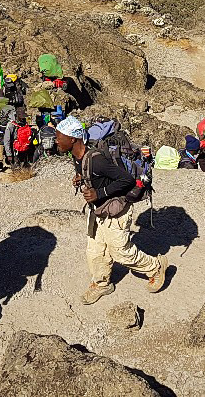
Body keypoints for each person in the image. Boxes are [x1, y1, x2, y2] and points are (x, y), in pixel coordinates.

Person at [54, 115, 168, 305]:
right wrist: (80, 179)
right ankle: (102, 283)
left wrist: (100, 193)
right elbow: (90, 173)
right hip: (97, 211)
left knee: (120, 252)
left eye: (59, 136)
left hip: (116, 210)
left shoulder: (97, 159)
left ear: (72, 139)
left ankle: (155, 267)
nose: (56, 140)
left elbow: (127, 180)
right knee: (95, 251)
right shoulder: (76, 157)